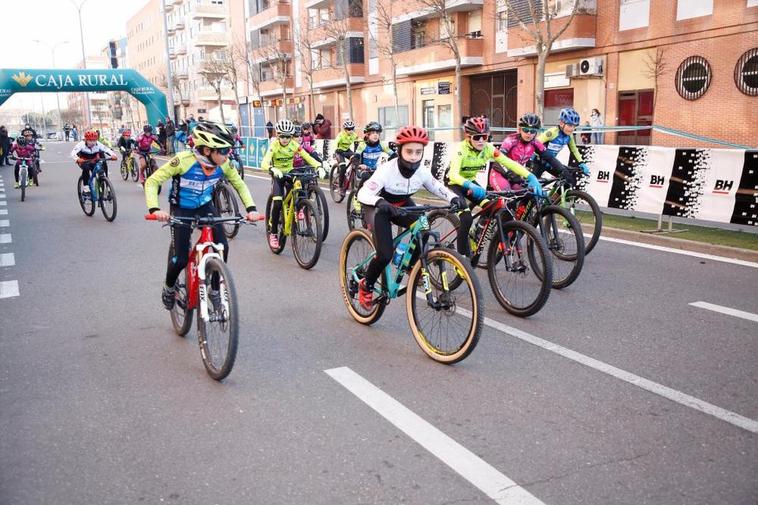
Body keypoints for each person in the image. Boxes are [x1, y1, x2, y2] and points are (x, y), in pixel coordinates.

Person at [144, 121, 260, 310]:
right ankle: (169, 286)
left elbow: (239, 185)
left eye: (228, 150)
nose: (227, 154)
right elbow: (152, 181)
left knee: (222, 247)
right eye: (223, 150)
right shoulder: (183, 160)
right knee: (180, 258)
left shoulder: (225, 165)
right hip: (181, 208)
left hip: (205, 205)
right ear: (207, 150)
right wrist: (155, 210)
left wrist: (251, 209)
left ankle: (215, 289)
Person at [356, 126, 466, 310]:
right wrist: (379, 202)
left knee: (423, 228)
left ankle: (411, 265)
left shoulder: (421, 171)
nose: (414, 156)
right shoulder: (386, 170)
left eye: (418, 152)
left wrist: (453, 197)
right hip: (378, 208)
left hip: (402, 205)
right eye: (409, 151)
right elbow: (363, 193)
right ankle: (366, 284)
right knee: (385, 254)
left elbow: (435, 186)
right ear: (399, 151)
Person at [445, 116, 543, 258]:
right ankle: (461, 258)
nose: (480, 141)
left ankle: (477, 234)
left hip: (470, 183)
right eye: (476, 137)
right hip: (453, 184)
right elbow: (453, 175)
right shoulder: (460, 149)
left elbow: (509, 163)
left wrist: (530, 176)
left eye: (484, 137)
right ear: (468, 137)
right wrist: (470, 184)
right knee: (466, 218)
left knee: (493, 207)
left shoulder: (488, 148)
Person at [261, 119, 322, 249]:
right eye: (282, 136)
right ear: (278, 136)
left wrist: (318, 166)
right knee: (277, 201)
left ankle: (296, 208)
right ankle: (273, 233)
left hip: (290, 173)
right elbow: (264, 163)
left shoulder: (294, 144)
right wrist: (272, 169)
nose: (284, 139)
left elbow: (307, 156)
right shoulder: (274, 146)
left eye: (287, 136)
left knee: (298, 187)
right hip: (278, 175)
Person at [489, 113, 571, 192]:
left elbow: (550, 158)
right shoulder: (510, 140)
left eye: (532, 131)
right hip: (500, 174)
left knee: (529, 196)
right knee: (508, 196)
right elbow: (498, 162)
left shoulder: (535, 143)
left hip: (516, 176)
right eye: (525, 130)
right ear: (520, 130)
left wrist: (562, 170)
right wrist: (512, 175)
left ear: (536, 133)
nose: (528, 133)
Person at [535, 107, 590, 179]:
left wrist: (581, 162)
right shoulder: (552, 132)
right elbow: (535, 143)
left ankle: (557, 190)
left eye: (574, 126)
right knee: (534, 187)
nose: (572, 129)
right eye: (570, 125)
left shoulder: (569, 136)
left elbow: (574, 150)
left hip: (551, 163)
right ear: (561, 123)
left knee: (568, 179)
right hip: (537, 162)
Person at [70, 129, 117, 197]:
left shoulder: (98, 144)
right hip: (84, 160)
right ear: (86, 140)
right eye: (90, 140)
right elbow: (73, 153)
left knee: (100, 170)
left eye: (94, 140)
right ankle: (86, 188)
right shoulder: (81, 145)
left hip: (94, 160)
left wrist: (113, 155)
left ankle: (102, 188)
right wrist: (77, 159)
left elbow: (106, 149)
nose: (92, 142)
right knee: (86, 168)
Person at [354, 121, 396, 187]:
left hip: (377, 170)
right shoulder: (362, 145)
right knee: (366, 177)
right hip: (364, 170)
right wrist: (359, 165)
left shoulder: (382, 145)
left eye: (377, 133)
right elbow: (356, 157)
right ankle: (357, 195)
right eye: (373, 133)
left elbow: (393, 155)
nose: (376, 135)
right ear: (367, 135)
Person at [334, 119, 358, 186]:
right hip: (339, 152)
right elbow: (335, 143)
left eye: (352, 129)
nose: (350, 131)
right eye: (348, 129)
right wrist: (336, 149)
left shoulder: (354, 135)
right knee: (343, 167)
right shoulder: (341, 135)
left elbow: (360, 141)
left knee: (356, 159)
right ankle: (340, 186)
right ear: (345, 129)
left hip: (347, 150)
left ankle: (352, 176)